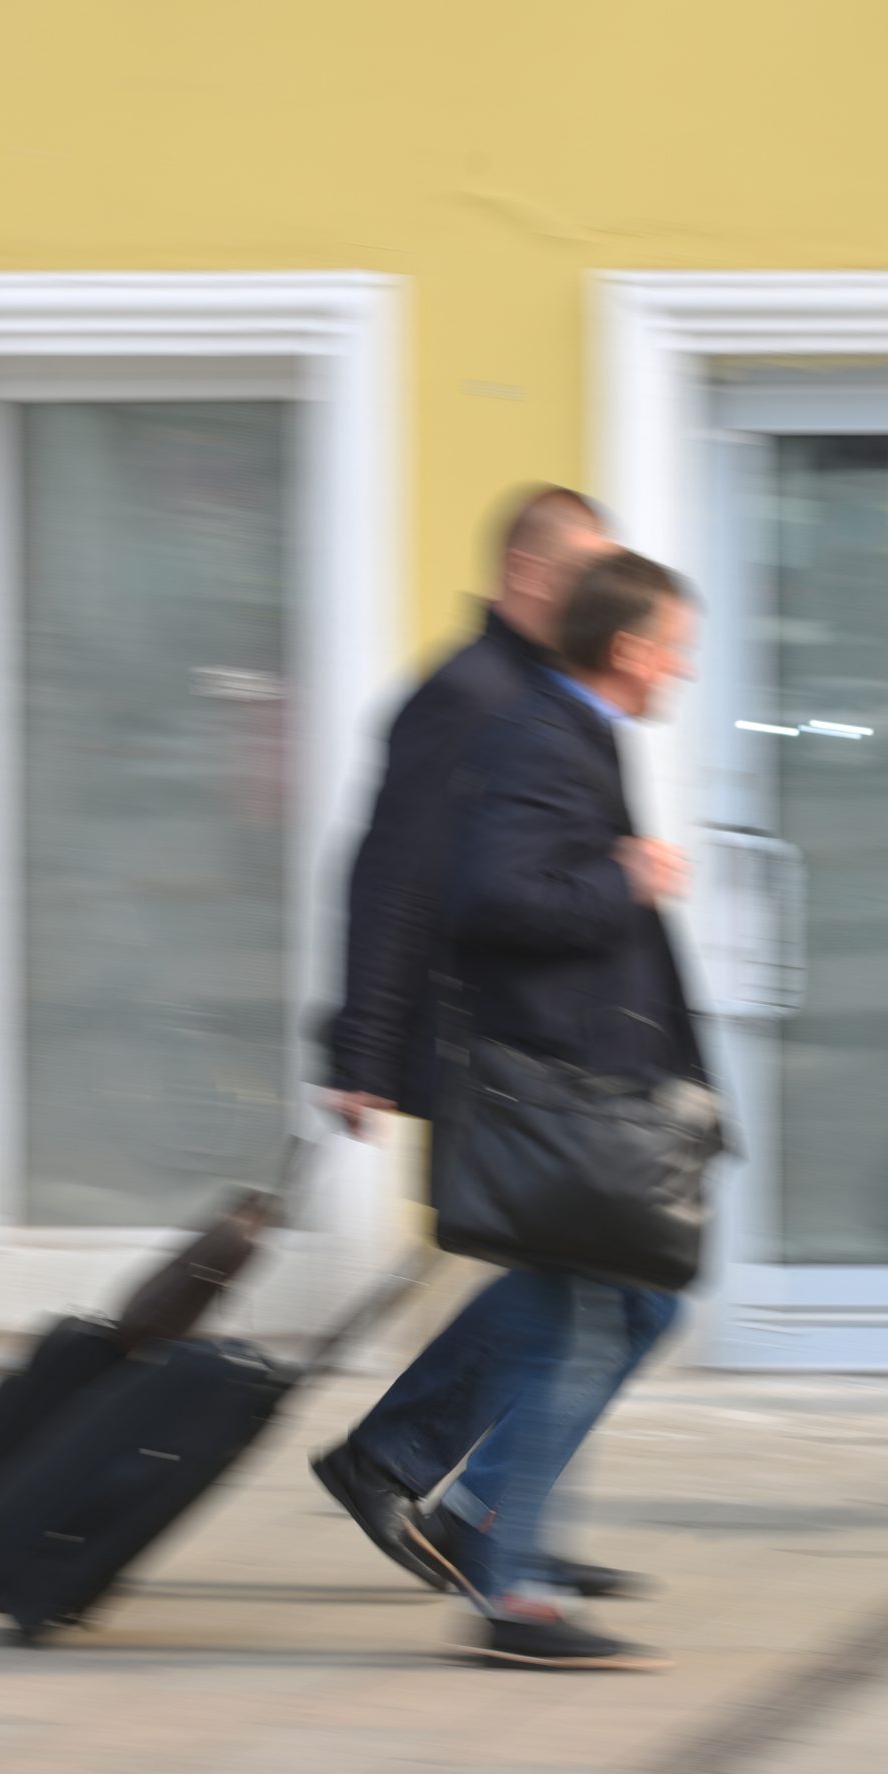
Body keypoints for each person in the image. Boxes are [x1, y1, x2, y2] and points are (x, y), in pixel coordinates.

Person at [309, 487, 672, 1610]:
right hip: (490, 1048)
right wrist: (362, 1042)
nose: (607, 604)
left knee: (589, 1283)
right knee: (597, 1288)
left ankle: (457, 1493)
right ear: (530, 576)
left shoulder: (544, 696)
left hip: (548, 1049)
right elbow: (388, 873)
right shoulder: (467, 698)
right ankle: (462, 1505)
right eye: (586, 576)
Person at [433, 549, 706, 1670]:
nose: (683, 664)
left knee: (633, 1314)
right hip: (555, 1095)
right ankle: (515, 1595)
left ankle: (483, 1520)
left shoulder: (571, 729)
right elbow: (494, 896)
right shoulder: (547, 734)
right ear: (631, 650)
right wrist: (624, 877)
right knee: (580, 1328)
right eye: (675, 644)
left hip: (580, 1089)